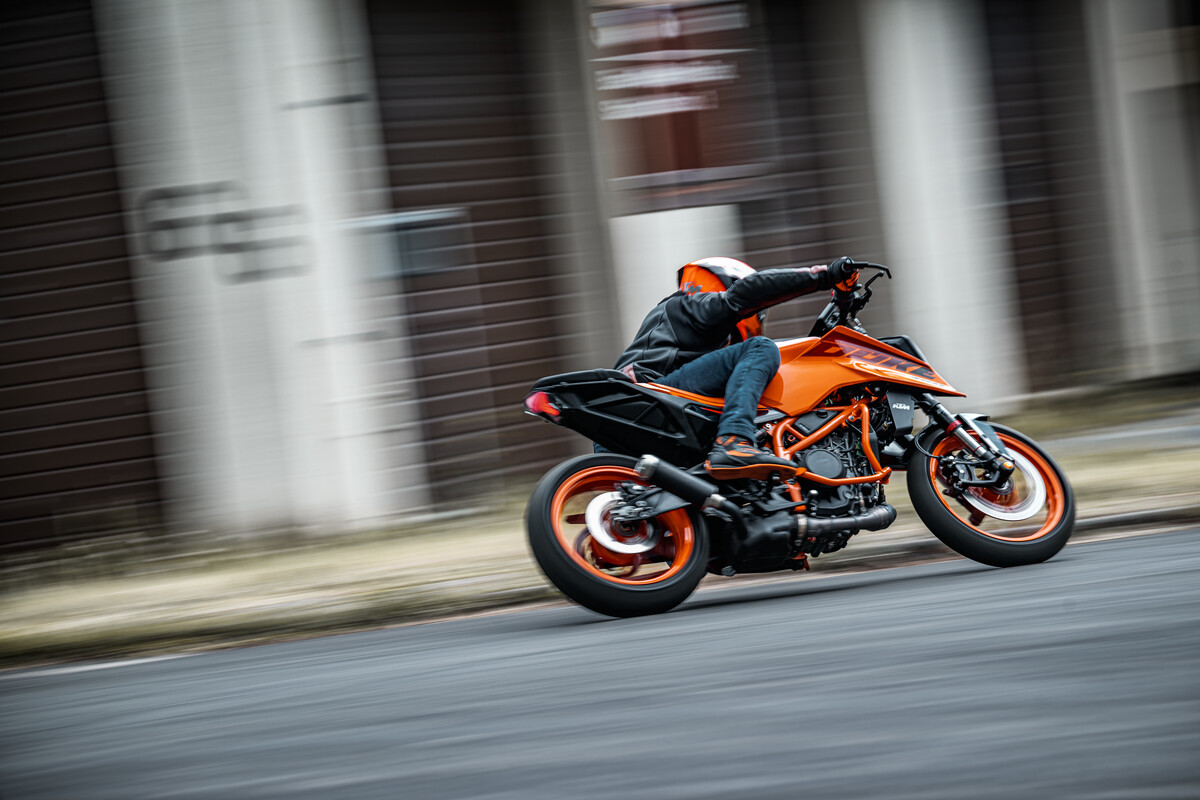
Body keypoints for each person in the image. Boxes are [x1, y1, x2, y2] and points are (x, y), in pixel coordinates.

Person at [613, 256, 860, 479]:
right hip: (651, 396)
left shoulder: (696, 333)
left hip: (647, 413)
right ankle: (733, 441)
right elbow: (742, 296)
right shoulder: (688, 305)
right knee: (761, 348)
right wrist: (823, 276)